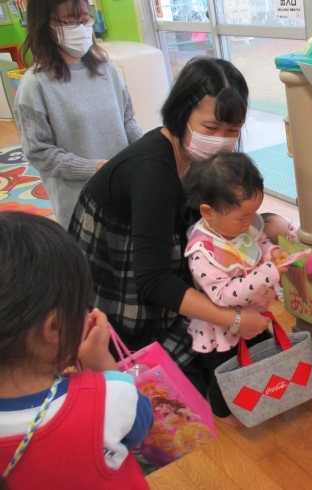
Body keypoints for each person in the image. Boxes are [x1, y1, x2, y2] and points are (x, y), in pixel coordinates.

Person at [68, 57, 270, 396]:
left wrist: (267, 224)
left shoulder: (198, 161)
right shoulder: (152, 172)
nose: (222, 140)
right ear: (181, 114)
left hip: (158, 267)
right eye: (211, 128)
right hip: (118, 287)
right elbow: (151, 281)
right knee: (179, 381)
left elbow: (219, 214)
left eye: (232, 131)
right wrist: (234, 319)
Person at [0, 212, 152, 490]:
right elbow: (140, 425)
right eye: (82, 304)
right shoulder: (108, 397)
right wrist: (100, 361)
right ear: (54, 329)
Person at [14, 0, 142, 228]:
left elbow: (127, 121)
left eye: (84, 19)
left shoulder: (106, 70)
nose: (81, 27)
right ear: (45, 24)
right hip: (80, 203)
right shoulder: (35, 85)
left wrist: (146, 149)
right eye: (70, 21)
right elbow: (40, 152)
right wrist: (94, 167)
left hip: (122, 190)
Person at [183, 152, 289, 425]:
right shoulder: (202, 251)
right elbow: (223, 295)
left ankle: (261, 392)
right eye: (242, 217)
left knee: (262, 352)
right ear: (208, 212)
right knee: (225, 372)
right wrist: (268, 273)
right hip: (220, 327)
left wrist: (272, 252)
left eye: (254, 212)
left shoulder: (244, 223)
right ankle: (223, 412)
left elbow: (260, 242)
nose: (249, 222)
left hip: (253, 311)